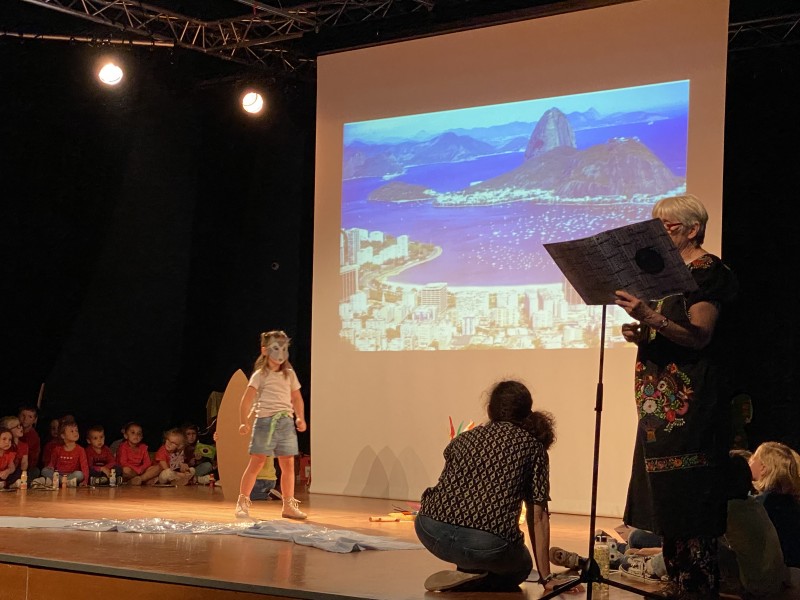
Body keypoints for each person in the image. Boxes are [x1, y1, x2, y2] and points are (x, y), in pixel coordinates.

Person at [614, 193, 739, 599]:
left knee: (691, 501)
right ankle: (676, 583)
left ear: (692, 229)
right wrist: (642, 332)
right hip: (658, 409)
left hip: (692, 407)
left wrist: (649, 316)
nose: (659, 236)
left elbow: (700, 335)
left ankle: (697, 589)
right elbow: (665, 328)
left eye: (666, 228)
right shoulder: (662, 274)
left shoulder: (708, 272)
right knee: (666, 502)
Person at [415, 380, 577, 594]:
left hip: (430, 529)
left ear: (490, 409)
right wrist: (546, 578)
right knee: (522, 567)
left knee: (472, 544)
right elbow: (537, 516)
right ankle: (475, 577)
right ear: (527, 412)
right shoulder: (532, 446)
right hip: (485, 544)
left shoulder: (463, 440)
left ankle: (468, 570)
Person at [236, 330, 307, 520]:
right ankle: (242, 501)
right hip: (265, 422)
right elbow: (247, 399)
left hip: (285, 422)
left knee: (288, 465)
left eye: (284, 348)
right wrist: (244, 421)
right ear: (265, 350)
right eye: (276, 348)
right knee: (257, 462)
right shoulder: (260, 375)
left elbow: (297, 398)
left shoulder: (289, 375)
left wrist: (300, 417)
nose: (281, 353)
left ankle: (288, 504)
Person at [749, 441, 800, 568]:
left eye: (754, 457)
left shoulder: (761, 504)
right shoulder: (791, 503)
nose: (750, 461)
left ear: (763, 467)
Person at [40, 421, 89, 487]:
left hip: (71, 475)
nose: (75, 433)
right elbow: (52, 464)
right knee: (44, 471)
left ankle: (62, 482)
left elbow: (84, 467)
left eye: (76, 431)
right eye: (72, 431)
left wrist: (85, 480)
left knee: (79, 474)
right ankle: (63, 481)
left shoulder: (80, 450)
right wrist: (50, 468)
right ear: (63, 436)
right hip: (58, 474)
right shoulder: (57, 449)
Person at [1, 416, 29, 482]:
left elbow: (23, 464)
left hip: (14, 472)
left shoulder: (23, 446)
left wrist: (23, 473)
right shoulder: (4, 447)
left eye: (20, 425)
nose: (21, 427)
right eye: (17, 426)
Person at [18, 405, 40, 478]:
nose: (25, 419)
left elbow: (33, 458)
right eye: (23, 415)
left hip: (25, 467)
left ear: (35, 420)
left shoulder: (34, 437)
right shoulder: (12, 431)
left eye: (30, 417)